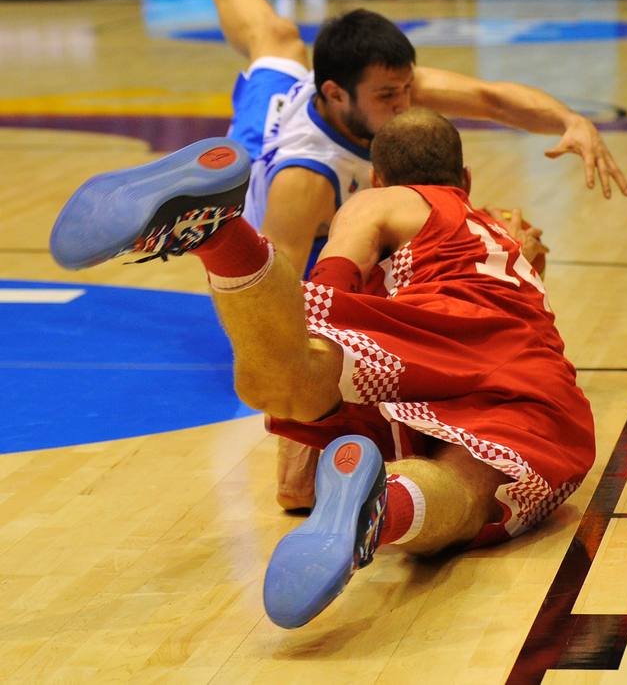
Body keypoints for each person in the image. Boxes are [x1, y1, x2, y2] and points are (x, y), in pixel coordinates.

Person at [177, 0, 627, 512]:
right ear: (336, 96)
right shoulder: (311, 178)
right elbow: (279, 295)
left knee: (275, 34)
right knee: (324, 331)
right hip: (269, 187)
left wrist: (570, 121)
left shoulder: (385, 93)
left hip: (306, 112)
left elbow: (493, 98)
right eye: (388, 98)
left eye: (405, 88)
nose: (404, 104)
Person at [49, 109, 596, 629]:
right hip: (519, 368)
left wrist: (302, 399)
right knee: (470, 489)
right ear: (467, 178)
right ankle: (382, 514)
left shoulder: (375, 203)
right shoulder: (499, 229)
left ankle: (219, 234)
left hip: (423, 344)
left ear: (375, 177)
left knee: (277, 378)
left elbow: (326, 295)